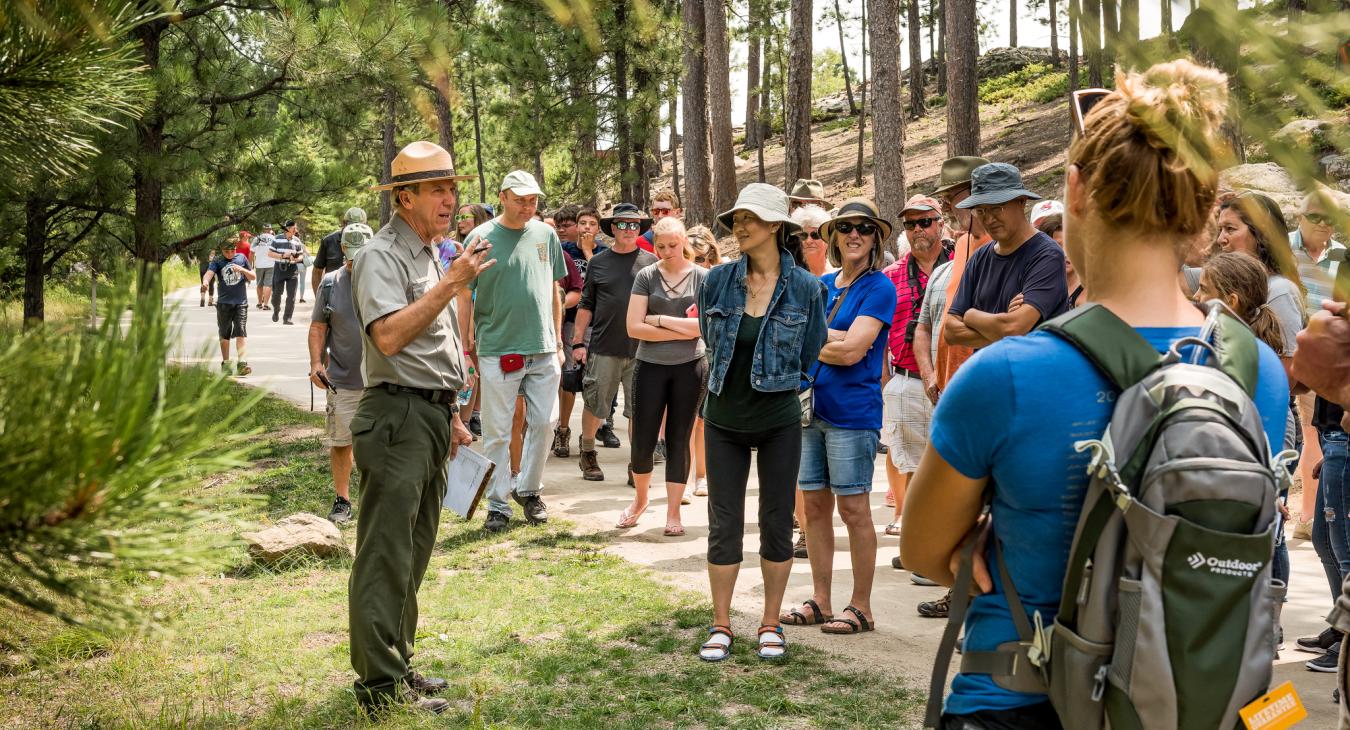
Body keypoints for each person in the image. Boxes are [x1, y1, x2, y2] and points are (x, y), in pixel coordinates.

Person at [901, 59, 1289, 728]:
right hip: (1192, 701)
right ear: (1201, 211)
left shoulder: (1004, 375)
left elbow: (923, 549)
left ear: (1074, 190)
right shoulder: (1254, 369)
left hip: (1019, 699)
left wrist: (986, 542)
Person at [348, 140, 490, 715]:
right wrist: (450, 284)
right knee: (385, 554)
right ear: (404, 198)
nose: (450, 199)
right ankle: (378, 690)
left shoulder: (430, 253)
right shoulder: (381, 255)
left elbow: (434, 347)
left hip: (429, 416)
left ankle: (397, 666)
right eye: (437, 189)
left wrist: (452, 415)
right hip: (396, 419)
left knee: (413, 552)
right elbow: (388, 338)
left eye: (452, 188)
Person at [697, 183, 827, 663]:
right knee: (723, 522)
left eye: (749, 217)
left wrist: (778, 382)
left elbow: (811, 352)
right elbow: (712, 342)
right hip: (723, 418)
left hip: (778, 420)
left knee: (776, 521)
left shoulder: (807, 287)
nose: (739, 226)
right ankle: (722, 623)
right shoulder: (715, 280)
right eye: (736, 218)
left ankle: (770, 624)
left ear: (776, 225)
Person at [781, 197, 895, 637]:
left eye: (864, 229)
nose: (853, 235)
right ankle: (822, 601)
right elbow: (792, 340)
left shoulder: (879, 287)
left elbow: (852, 352)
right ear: (831, 237)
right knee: (812, 508)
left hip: (852, 413)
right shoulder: (823, 285)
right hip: (810, 410)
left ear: (875, 239)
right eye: (844, 227)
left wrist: (817, 340)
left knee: (854, 509)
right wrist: (828, 339)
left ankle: (861, 607)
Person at [1195, 252, 1298, 655]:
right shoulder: (1266, 358)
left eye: (1204, 290)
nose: (1196, 297)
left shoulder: (1231, 357)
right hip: (1257, 518)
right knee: (1251, 654)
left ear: (1231, 301)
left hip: (1232, 524)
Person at [458, 170, 567, 533]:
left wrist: (558, 341)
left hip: (543, 347)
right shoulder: (480, 237)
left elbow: (553, 289)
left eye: (533, 200)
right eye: (520, 199)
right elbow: (463, 292)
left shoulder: (546, 234)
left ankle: (529, 491)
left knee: (545, 423)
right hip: (497, 348)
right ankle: (498, 504)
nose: (527, 206)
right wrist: (464, 344)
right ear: (502, 197)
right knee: (498, 431)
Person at [620, 217, 707, 535]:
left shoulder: (701, 277)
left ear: (684, 241)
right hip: (650, 367)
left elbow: (704, 329)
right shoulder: (645, 275)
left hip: (690, 367)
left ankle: (674, 513)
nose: (667, 251)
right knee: (642, 441)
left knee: (679, 439)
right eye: (660, 246)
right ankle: (640, 500)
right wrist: (679, 328)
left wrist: (656, 319)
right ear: (653, 245)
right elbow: (633, 327)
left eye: (673, 245)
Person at [879, 196, 952, 544]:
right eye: (910, 224)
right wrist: (884, 379)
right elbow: (879, 331)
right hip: (905, 376)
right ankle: (905, 518)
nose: (918, 229)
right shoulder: (891, 276)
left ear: (941, 223)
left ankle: (945, 527)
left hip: (954, 378)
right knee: (903, 452)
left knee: (949, 458)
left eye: (925, 221)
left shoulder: (963, 265)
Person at [572, 204, 657, 480]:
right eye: (622, 224)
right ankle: (587, 454)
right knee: (596, 404)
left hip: (641, 350)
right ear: (612, 229)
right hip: (604, 346)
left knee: (639, 411)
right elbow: (586, 304)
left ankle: (638, 465)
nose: (629, 230)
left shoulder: (651, 262)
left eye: (634, 225)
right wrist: (577, 343)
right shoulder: (599, 262)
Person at [944, 162, 1069, 348]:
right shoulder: (979, 258)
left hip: (1031, 374)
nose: (989, 219)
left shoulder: (1047, 255)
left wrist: (971, 315)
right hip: (988, 374)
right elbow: (950, 331)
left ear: (1021, 201)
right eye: (981, 211)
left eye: (997, 208)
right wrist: (1003, 328)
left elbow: (1014, 327)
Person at [309, 222, 373, 525]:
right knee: (342, 441)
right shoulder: (331, 283)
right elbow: (319, 327)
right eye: (352, 254)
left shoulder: (386, 278)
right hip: (344, 379)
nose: (356, 261)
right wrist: (316, 364)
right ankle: (343, 499)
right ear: (343, 249)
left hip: (383, 381)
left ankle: (377, 498)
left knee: (380, 445)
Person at [1289, 189, 1345, 523]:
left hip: (1324, 358)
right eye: (1315, 217)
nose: (1324, 224)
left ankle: (1310, 517)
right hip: (1286, 352)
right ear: (1299, 218)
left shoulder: (1342, 255)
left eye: (1331, 218)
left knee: (1316, 433)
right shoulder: (1282, 249)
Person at [1216, 191, 1307, 358]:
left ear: (1261, 235)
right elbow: (1172, 277)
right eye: (1220, 229)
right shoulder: (1226, 282)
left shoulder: (1279, 290)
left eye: (1230, 229)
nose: (1220, 239)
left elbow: (1287, 372)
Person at [929, 156, 992, 392]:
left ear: (976, 193)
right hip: (950, 385)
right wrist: (939, 370)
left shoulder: (1003, 246)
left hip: (985, 385)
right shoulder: (963, 243)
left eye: (949, 198)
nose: (945, 208)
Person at [686, 224, 719, 497]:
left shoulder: (721, 280)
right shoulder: (676, 278)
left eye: (701, 258)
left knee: (703, 421)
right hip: (683, 354)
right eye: (690, 257)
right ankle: (682, 478)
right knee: (684, 420)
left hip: (713, 356)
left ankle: (701, 476)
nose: (697, 264)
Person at [201, 237, 256, 376]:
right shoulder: (218, 260)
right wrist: (205, 283)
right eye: (227, 251)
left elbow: (253, 276)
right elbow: (209, 273)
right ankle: (225, 363)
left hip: (241, 302)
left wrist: (242, 270)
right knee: (224, 334)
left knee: (241, 331)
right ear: (222, 250)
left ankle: (242, 363)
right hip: (224, 303)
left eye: (233, 250)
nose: (230, 254)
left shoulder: (242, 258)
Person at [312, 207, 368, 295]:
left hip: (360, 296)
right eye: (351, 226)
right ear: (344, 223)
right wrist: (319, 297)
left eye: (359, 226)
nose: (354, 229)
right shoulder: (329, 241)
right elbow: (317, 271)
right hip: (333, 296)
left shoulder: (369, 243)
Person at [1036, 214, 1083, 308]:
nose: (1064, 254)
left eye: (1070, 245)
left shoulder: (1094, 292)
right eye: (1057, 246)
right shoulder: (1033, 292)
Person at [268, 224, 305, 324]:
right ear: (287, 229)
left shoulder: (297, 240)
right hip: (279, 268)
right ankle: (276, 309)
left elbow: (301, 255)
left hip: (292, 269)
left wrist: (297, 258)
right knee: (276, 294)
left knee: (291, 295)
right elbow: (270, 253)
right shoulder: (277, 239)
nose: (295, 230)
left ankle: (287, 318)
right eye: (294, 228)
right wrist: (282, 255)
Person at [791, 204, 833, 277]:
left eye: (815, 235)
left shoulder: (839, 273)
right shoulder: (790, 275)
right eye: (803, 235)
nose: (808, 241)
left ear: (827, 239)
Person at [253, 223, 276, 310]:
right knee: (268, 285)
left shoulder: (257, 238)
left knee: (259, 284)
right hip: (271, 264)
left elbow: (252, 251)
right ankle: (266, 304)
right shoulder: (274, 239)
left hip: (259, 264)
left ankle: (259, 302)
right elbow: (277, 252)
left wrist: (249, 265)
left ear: (263, 229)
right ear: (270, 229)